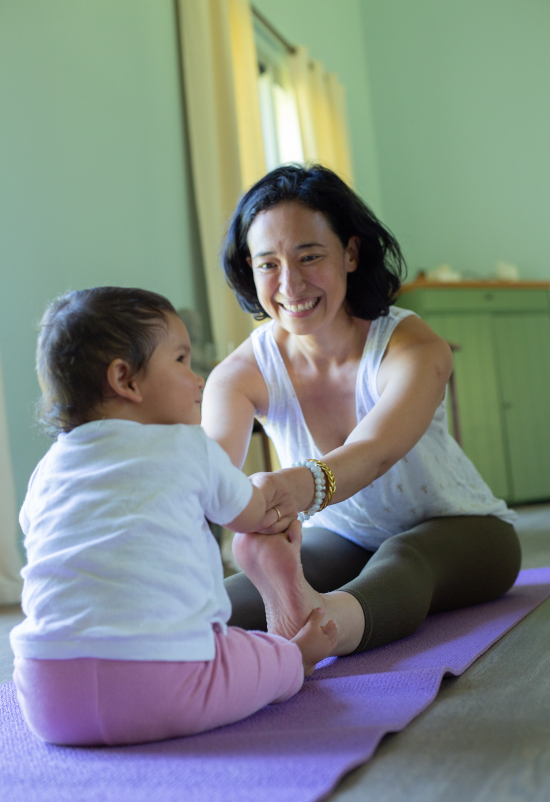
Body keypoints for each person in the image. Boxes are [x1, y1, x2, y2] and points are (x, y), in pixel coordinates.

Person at [201, 163, 521, 657]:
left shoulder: (411, 345)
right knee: (245, 589)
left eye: (309, 257)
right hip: (342, 535)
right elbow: (210, 476)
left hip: (463, 530)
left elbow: (373, 452)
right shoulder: (240, 373)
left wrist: (290, 488)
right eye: (268, 264)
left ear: (350, 253)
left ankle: (315, 638)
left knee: (403, 558)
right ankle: (163, 640)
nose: (290, 284)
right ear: (250, 267)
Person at [10, 286, 338, 747]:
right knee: (241, 655)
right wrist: (270, 511)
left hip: (48, 697)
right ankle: (295, 659)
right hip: (163, 684)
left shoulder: (48, 470)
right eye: (182, 361)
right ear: (126, 380)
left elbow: (38, 534)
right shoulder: (188, 446)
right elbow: (250, 512)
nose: (199, 379)